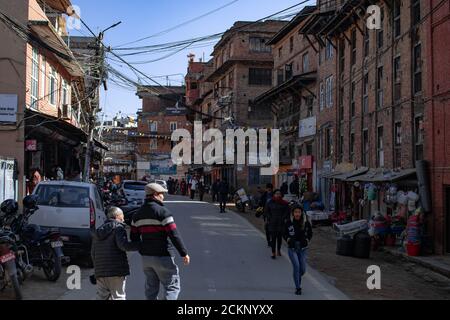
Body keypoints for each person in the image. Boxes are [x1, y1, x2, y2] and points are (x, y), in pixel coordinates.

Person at [130, 183, 190, 300]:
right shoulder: (163, 213)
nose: (163, 196)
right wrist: (184, 253)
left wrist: (143, 250)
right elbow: (174, 234)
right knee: (172, 287)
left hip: (146, 258)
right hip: (163, 256)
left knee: (151, 289)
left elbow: (134, 238)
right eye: (162, 194)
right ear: (155, 195)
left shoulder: (136, 215)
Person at [91, 207, 140, 300]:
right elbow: (123, 245)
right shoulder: (118, 228)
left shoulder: (98, 232)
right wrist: (139, 245)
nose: (124, 218)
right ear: (117, 216)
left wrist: (96, 269)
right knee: (118, 297)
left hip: (100, 271)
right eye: (123, 216)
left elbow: (93, 253)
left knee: (101, 297)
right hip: (116, 271)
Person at [283, 205, 313, 295]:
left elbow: (310, 233)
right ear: (293, 213)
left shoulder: (306, 223)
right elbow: (284, 233)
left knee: (302, 269)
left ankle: (296, 277)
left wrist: (307, 240)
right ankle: (298, 287)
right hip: (292, 248)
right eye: (295, 212)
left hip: (303, 248)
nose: (297, 214)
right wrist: (288, 239)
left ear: (301, 213)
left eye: (299, 212)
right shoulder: (288, 222)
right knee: (296, 266)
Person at [264, 189, 290, 259]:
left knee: (279, 238)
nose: (278, 195)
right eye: (276, 193)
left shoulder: (284, 203)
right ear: (274, 194)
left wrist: (284, 218)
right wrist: (269, 218)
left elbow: (287, 212)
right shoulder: (270, 202)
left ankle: (278, 250)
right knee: (273, 238)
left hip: (281, 223)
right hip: (272, 222)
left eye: (279, 194)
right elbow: (266, 211)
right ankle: (273, 253)